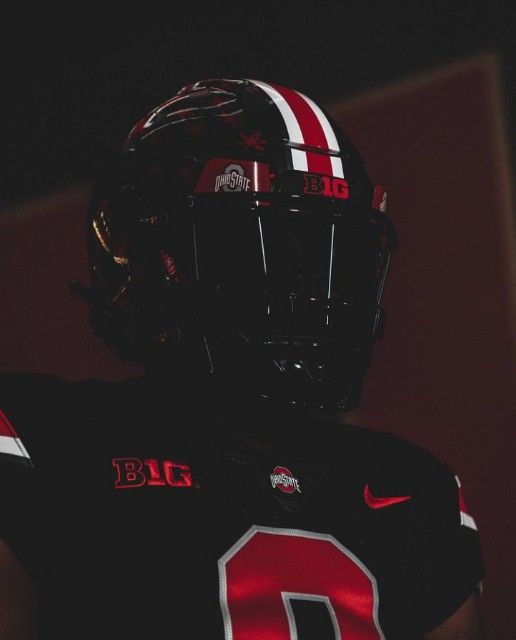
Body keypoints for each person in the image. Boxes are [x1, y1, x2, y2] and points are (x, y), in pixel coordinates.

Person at [0, 78, 484, 639]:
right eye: (267, 253)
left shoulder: (415, 489)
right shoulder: (47, 441)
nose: (307, 294)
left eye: (331, 257)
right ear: (158, 258)